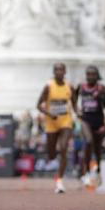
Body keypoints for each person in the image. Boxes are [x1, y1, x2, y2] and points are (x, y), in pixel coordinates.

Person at [37, 62, 75, 193]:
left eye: (61, 70)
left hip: (65, 121)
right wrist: (49, 113)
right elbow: (38, 105)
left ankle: (59, 181)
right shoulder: (48, 86)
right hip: (51, 122)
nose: (59, 72)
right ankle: (55, 156)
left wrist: (79, 113)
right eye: (57, 70)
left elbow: (75, 104)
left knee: (64, 148)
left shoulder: (69, 86)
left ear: (65, 72)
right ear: (54, 72)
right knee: (52, 154)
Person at [75, 65, 105, 188]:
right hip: (86, 120)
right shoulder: (81, 87)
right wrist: (77, 110)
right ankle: (86, 171)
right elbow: (73, 99)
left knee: (97, 149)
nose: (90, 77)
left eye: (93, 74)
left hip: (98, 121)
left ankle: (98, 170)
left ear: (97, 76)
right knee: (88, 141)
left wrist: (102, 96)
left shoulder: (102, 88)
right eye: (88, 74)